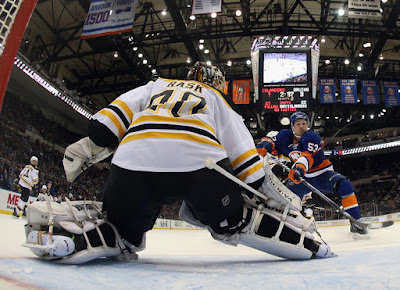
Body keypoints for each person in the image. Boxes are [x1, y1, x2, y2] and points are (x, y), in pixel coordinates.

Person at [23, 62, 334, 264]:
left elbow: (102, 127)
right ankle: (306, 242)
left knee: (122, 230)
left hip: (132, 165)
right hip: (200, 169)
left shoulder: (156, 85)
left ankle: (76, 237)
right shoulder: (218, 100)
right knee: (234, 219)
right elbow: (249, 168)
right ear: (218, 83)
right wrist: (260, 193)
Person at [256, 111, 368, 237]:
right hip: (302, 178)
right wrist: (266, 144)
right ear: (292, 126)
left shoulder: (312, 137)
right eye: (298, 124)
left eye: (304, 123)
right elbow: (272, 139)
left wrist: (298, 169)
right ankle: (277, 228)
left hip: (321, 174)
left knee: (345, 186)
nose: (301, 126)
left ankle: (356, 223)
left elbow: (307, 157)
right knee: (282, 200)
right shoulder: (284, 136)